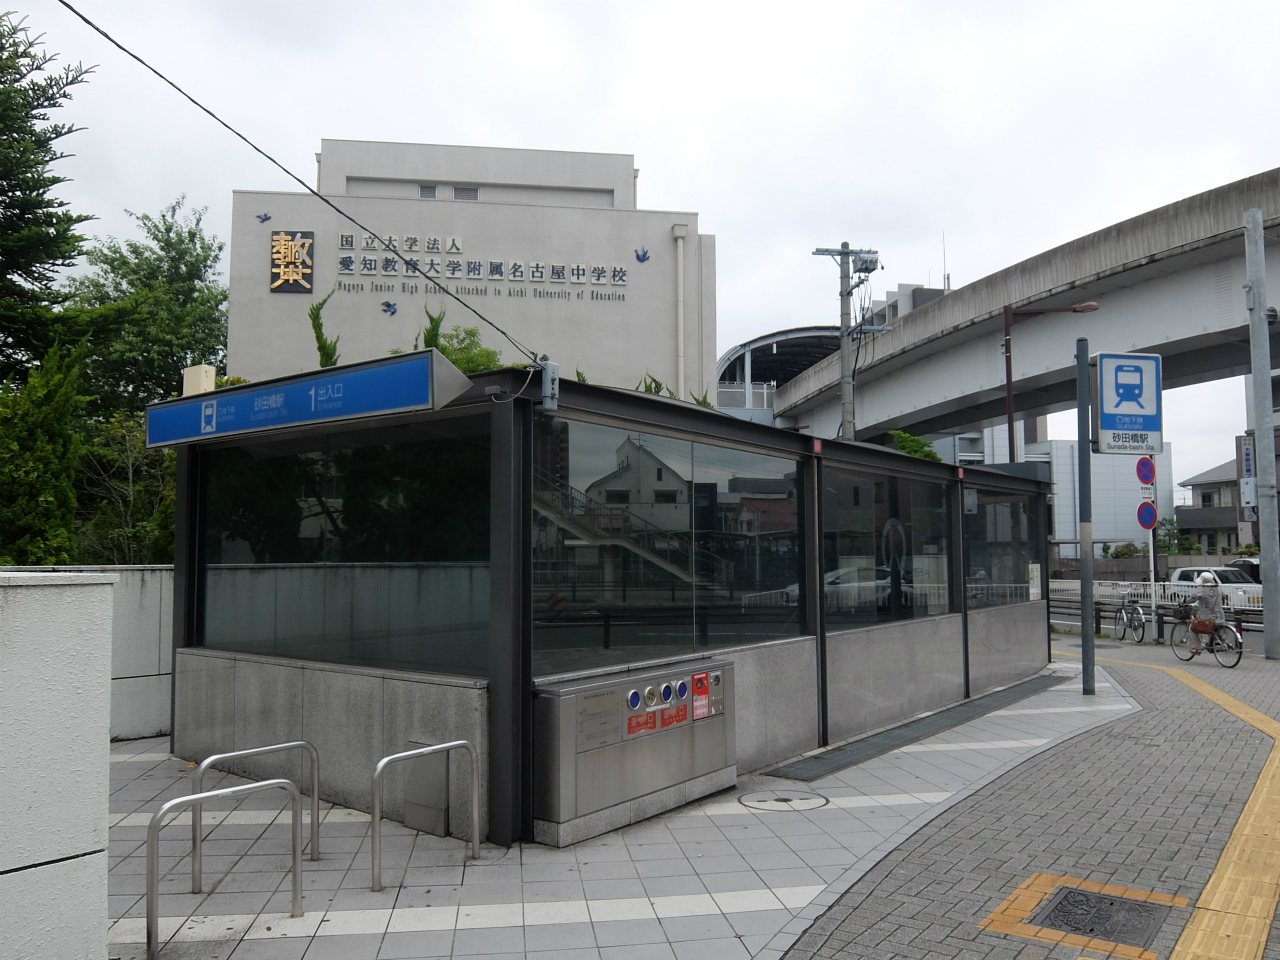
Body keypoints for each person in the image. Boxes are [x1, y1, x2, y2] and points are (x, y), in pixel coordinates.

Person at [1190, 571, 1224, 656]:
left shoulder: (1201, 588)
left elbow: (1193, 598)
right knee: (1213, 628)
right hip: (1220, 615)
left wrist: (1184, 601)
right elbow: (1223, 596)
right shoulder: (1218, 588)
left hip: (1206, 616)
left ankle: (1197, 648)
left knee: (1192, 628)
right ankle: (1218, 641)